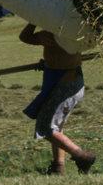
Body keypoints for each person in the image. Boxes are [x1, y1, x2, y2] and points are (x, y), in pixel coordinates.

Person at [19, 23, 96, 175]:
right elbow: (62, 57)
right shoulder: (76, 32)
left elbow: (25, 37)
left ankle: (82, 156)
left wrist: (34, 20)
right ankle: (58, 167)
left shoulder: (51, 34)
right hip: (71, 81)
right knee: (56, 126)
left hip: (65, 84)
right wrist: (48, 63)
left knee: (46, 127)